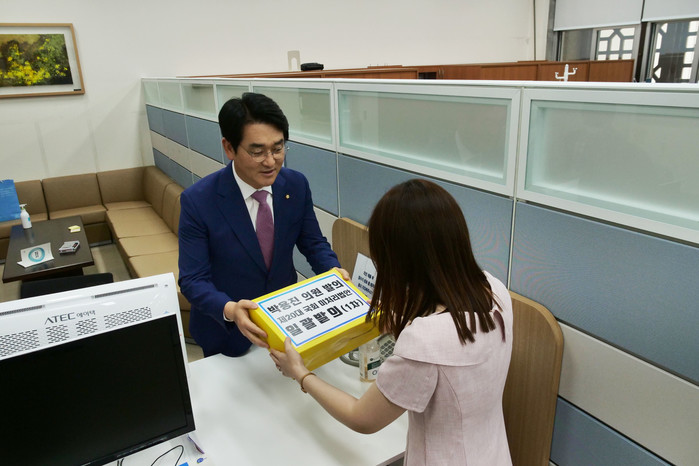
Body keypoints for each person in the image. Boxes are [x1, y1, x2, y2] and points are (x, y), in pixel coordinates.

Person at [270, 179, 513, 466]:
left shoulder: (425, 341)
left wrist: (301, 374)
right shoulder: (495, 291)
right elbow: (453, 345)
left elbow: (362, 418)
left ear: (401, 261)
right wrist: (391, 320)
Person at [178, 92, 346, 357]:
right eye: (257, 152)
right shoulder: (199, 201)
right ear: (229, 148)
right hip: (227, 334)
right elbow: (192, 279)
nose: (270, 161)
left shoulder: (295, 185)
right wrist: (230, 309)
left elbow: (313, 243)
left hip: (287, 322)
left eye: (278, 149)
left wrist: (334, 273)